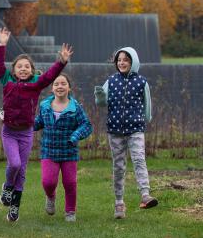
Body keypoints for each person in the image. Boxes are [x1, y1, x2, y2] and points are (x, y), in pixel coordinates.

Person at [0, 27, 73, 222]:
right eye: (19, 66)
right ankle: (7, 187)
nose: (23, 69)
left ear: (31, 70)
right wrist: (2, 45)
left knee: (22, 170)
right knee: (14, 164)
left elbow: (49, 76)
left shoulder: (36, 84)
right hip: (9, 132)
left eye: (26, 66)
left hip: (26, 133)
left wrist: (61, 62)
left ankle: (14, 207)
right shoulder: (7, 82)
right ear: (14, 70)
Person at [95, 47, 158, 219]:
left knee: (139, 159)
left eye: (126, 60)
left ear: (133, 62)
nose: (122, 63)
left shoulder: (142, 82)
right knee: (119, 166)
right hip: (115, 130)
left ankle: (145, 194)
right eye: (119, 60)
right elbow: (101, 103)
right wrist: (100, 97)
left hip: (136, 129)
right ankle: (119, 203)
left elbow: (147, 103)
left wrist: (147, 117)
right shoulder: (111, 80)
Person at [34, 74, 92, 222]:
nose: (60, 86)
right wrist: (22, 124)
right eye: (56, 84)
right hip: (49, 151)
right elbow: (37, 123)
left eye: (63, 83)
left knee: (70, 183)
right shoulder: (45, 106)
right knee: (48, 182)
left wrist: (75, 136)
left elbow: (86, 125)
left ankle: (70, 211)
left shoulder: (75, 107)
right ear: (52, 88)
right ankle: (51, 197)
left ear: (69, 88)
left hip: (69, 151)